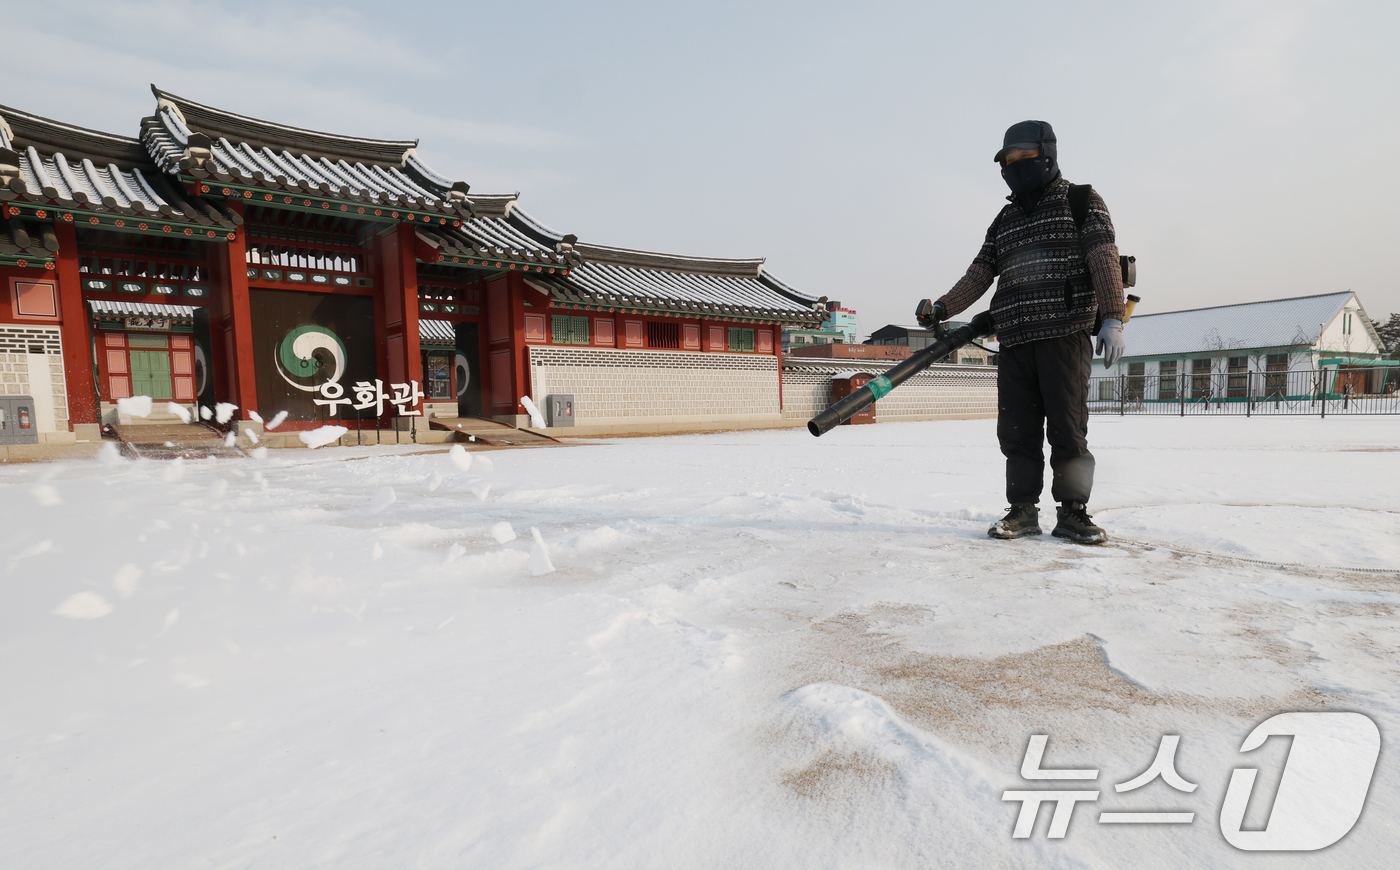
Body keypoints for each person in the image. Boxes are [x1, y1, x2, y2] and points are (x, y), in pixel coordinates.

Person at [916, 120, 1126, 544]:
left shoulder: (1080, 200)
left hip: (1063, 335)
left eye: (1022, 157)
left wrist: (1113, 316)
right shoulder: (1005, 219)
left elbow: (1104, 257)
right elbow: (980, 274)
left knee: (1068, 431)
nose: (1014, 165)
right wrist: (942, 307)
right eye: (1007, 160)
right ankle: (1022, 511)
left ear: (1045, 153)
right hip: (1013, 341)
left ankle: (1073, 512)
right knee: (1017, 434)